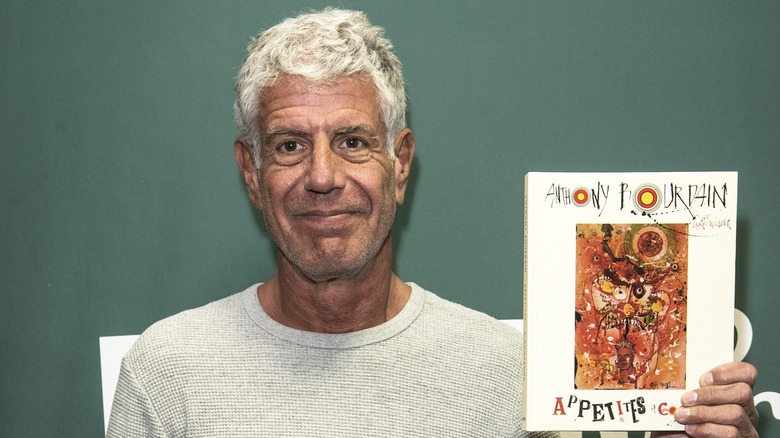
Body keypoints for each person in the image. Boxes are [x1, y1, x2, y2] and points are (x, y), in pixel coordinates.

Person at [106, 8, 759, 438]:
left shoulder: (513, 377)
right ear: (251, 171)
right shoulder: (168, 374)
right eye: (289, 145)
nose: (324, 176)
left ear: (401, 162)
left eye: (355, 141)